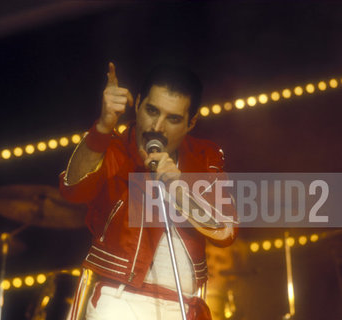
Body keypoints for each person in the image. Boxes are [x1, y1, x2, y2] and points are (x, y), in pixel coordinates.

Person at [59, 62, 238, 320]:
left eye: (173, 119)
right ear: (138, 103)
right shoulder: (116, 149)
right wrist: (102, 128)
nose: (157, 127)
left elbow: (226, 230)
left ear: (191, 123)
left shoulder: (203, 158)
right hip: (120, 300)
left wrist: (180, 191)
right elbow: (72, 189)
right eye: (152, 111)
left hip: (184, 305)